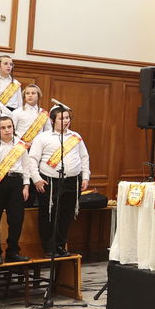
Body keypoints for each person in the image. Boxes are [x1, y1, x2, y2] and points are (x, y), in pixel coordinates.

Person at [31, 105, 89, 256]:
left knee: (66, 214)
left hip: (72, 181)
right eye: (61, 118)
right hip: (49, 181)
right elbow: (32, 159)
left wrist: (85, 176)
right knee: (49, 214)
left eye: (67, 118)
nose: (65, 121)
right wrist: (36, 179)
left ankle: (60, 245)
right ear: (52, 120)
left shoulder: (75, 137)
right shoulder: (42, 137)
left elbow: (84, 157)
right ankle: (49, 247)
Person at [0, 115, 34, 264]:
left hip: (16, 183)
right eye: (3, 128)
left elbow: (26, 166)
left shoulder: (20, 146)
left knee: (16, 220)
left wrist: (26, 185)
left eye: (9, 127)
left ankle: (13, 251)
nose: (7, 130)